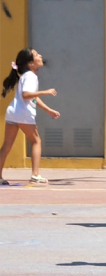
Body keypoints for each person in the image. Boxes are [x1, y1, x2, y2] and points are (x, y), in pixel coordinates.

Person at [0, 48, 60, 185]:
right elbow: (26, 95)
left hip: (13, 113)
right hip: (24, 115)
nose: (40, 55)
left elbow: (33, 98)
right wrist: (46, 92)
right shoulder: (31, 77)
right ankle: (35, 175)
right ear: (30, 63)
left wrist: (48, 110)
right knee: (36, 142)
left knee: (6, 147)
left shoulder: (25, 76)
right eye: (36, 55)